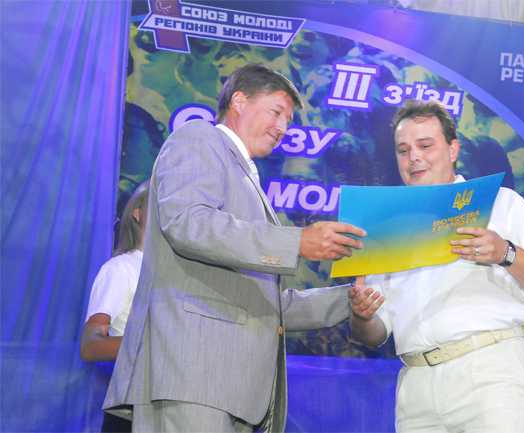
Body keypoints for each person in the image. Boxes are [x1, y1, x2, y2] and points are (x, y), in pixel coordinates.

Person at [103, 64, 366, 433]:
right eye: (276, 112)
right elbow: (188, 222)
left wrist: (349, 299)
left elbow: (267, 305)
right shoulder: (200, 139)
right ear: (239, 100)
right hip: (193, 377)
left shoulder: (248, 182)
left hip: (231, 391)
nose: (282, 128)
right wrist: (297, 242)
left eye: (288, 120)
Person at [349, 101, 524, 433]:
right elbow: (374, 334)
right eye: (403, 150)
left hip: (491, 376)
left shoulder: (500, 203)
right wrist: (362, 314)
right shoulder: (385, 227)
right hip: (415, 389)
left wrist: (505, 252)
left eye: (425, 145)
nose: (414, 157)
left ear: (453, 149)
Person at [81, 181, 149, 432]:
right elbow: (90, 345)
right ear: (137, 213)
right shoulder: (120, 269)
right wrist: (152, 344)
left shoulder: (177, 275)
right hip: (129, 412)